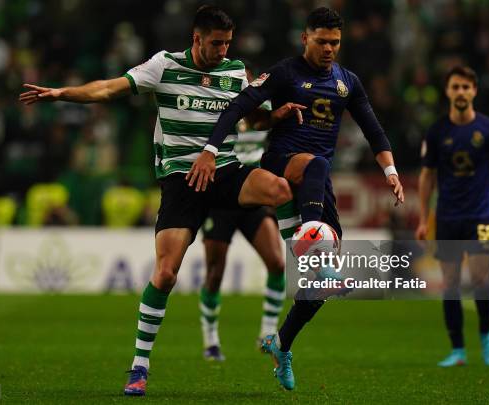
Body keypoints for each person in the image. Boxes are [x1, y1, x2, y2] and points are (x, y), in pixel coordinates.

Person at [19, 5, 298, 397]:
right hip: (182, 182)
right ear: (196, 38)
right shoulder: (164, 66)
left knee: (280, 189)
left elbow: (254, 119)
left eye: (227, 43)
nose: (222, 50)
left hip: (225, 171)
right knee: (166, 273)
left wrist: (277, 114)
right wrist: (63, 93)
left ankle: (306, 258)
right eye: (216, 43)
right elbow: (108, 88)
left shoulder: (235, 71)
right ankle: (139, 364)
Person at [187, 7, 405, 390]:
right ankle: (309, 240)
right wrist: (209, 147)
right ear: (305, 38)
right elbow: (239, 106)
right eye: (321, 41)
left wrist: (390, 172)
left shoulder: (347, 82)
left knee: (320, 287)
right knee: (318, 164)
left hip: (315, 184)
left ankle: (281, 343)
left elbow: (373, 129)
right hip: (281, 163)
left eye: (335, 43)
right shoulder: (286, 72)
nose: (328, 49)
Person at [416, 65, 489, 368]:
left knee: (480, 278)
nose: (461, 92)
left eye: (466, 87)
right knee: (450, 283)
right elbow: (427, 176)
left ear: (474, 91)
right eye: (456, 87)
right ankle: (458, 349)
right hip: (448, 216)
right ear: (448, 91)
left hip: (480, 216)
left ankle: (487, 336)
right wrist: (424, 219)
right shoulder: (437, 131)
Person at [200, 66, 285, 361]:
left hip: (251, 196)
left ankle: (267, 333)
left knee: (276, 262)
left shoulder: (264, 110)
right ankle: (210, 339)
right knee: (214, 273)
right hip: (221, 197)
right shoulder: (221, 108)